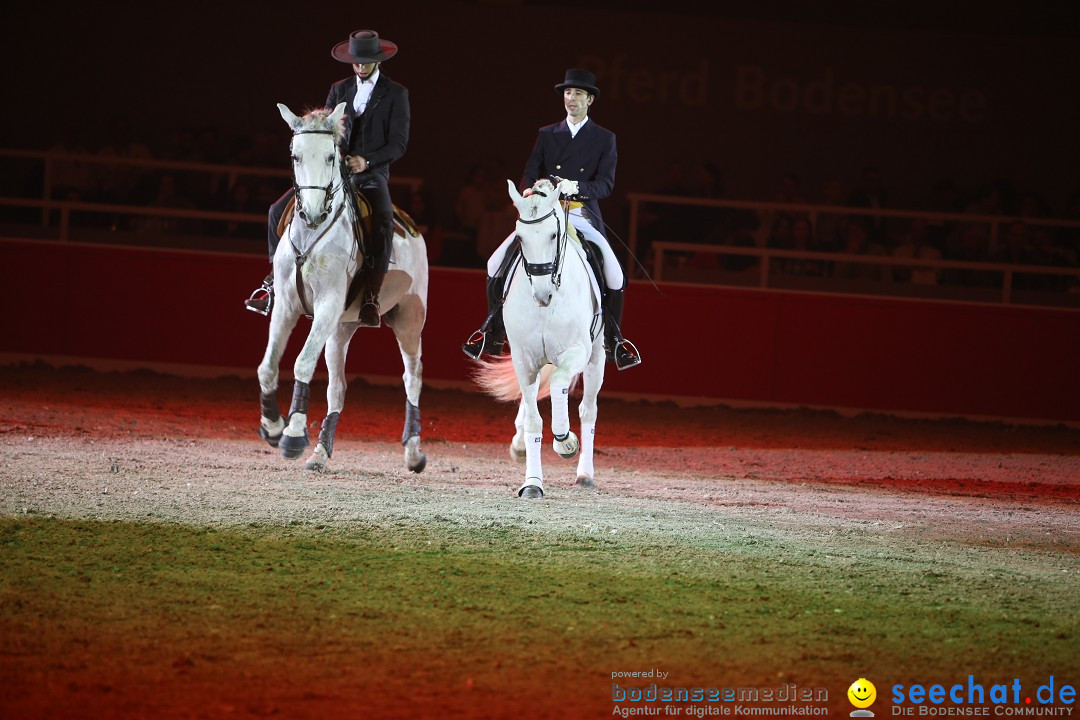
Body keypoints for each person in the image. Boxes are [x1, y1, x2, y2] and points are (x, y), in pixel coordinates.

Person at [461, 68, 641, 370]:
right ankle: (491, 331)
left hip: (579, 214)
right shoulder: (547, 134)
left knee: (615, 273)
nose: (571, 98)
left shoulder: (604, 138)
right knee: (495, 262)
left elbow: (606, 184)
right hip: (546, 213)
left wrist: (578, 188)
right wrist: (530, 190)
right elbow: (529, 171)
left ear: (590, 100)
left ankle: (615, 340)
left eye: (578, 94)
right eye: (568, 93)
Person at [244, 29, 410, 327]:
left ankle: (371, 295)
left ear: (377, 60)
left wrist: (366, 160)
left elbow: (398, 143)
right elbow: (327, 129)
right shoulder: (339, 88)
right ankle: (272, 282)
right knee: (275, 212)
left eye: (366, 61)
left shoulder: (396, 93)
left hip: (371, 175)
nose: (360, 66)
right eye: (356, 61)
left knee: (383, 220)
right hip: (334, 173)